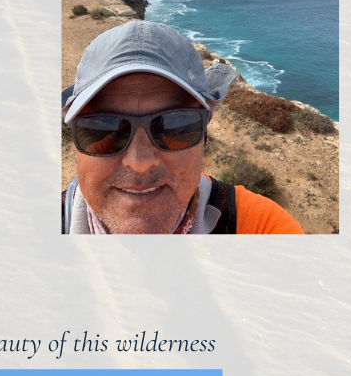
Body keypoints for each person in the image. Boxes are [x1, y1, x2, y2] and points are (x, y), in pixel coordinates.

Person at [61, 20, 304, 235]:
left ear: (204, 139)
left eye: (173, 126)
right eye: (103, 128)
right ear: (75, 145)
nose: (139, 162)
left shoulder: (259, 225)